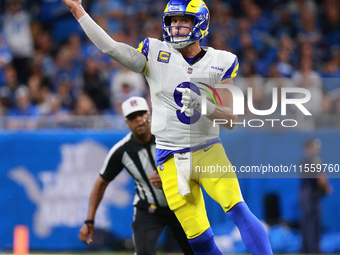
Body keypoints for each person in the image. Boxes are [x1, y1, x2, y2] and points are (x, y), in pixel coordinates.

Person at [62, 0, 273, 254]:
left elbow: (230, 119)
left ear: (200, 23)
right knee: (199, 240)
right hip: (170, 159)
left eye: (183, 20)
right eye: (172, 20)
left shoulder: (220, 61)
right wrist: (78, 11)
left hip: (207, 150)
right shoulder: (155, 53)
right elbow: (111, 48)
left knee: (237, 208)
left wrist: (202, 104)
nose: (176, 26)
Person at [79, 96, 194, 255]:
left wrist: (170, 179)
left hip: (180, 203)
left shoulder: (168, 137)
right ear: (127, 122)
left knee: (197, 249)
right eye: (133, 117)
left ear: (149, 115)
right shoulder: (122, 151)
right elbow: (101, 183)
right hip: (149, 208)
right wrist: (89, 221)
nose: (139, 120)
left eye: (142, 114)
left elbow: (196, 165)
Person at [299, 138, 332, 254]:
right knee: (313, 223)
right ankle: (314, 249)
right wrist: (326, 187)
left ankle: (306, 249)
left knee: (307, 222)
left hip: (304, 194)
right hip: (311, 195)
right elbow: (320, 176)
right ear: (310, 147)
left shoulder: (304, 159)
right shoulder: (314, 159)